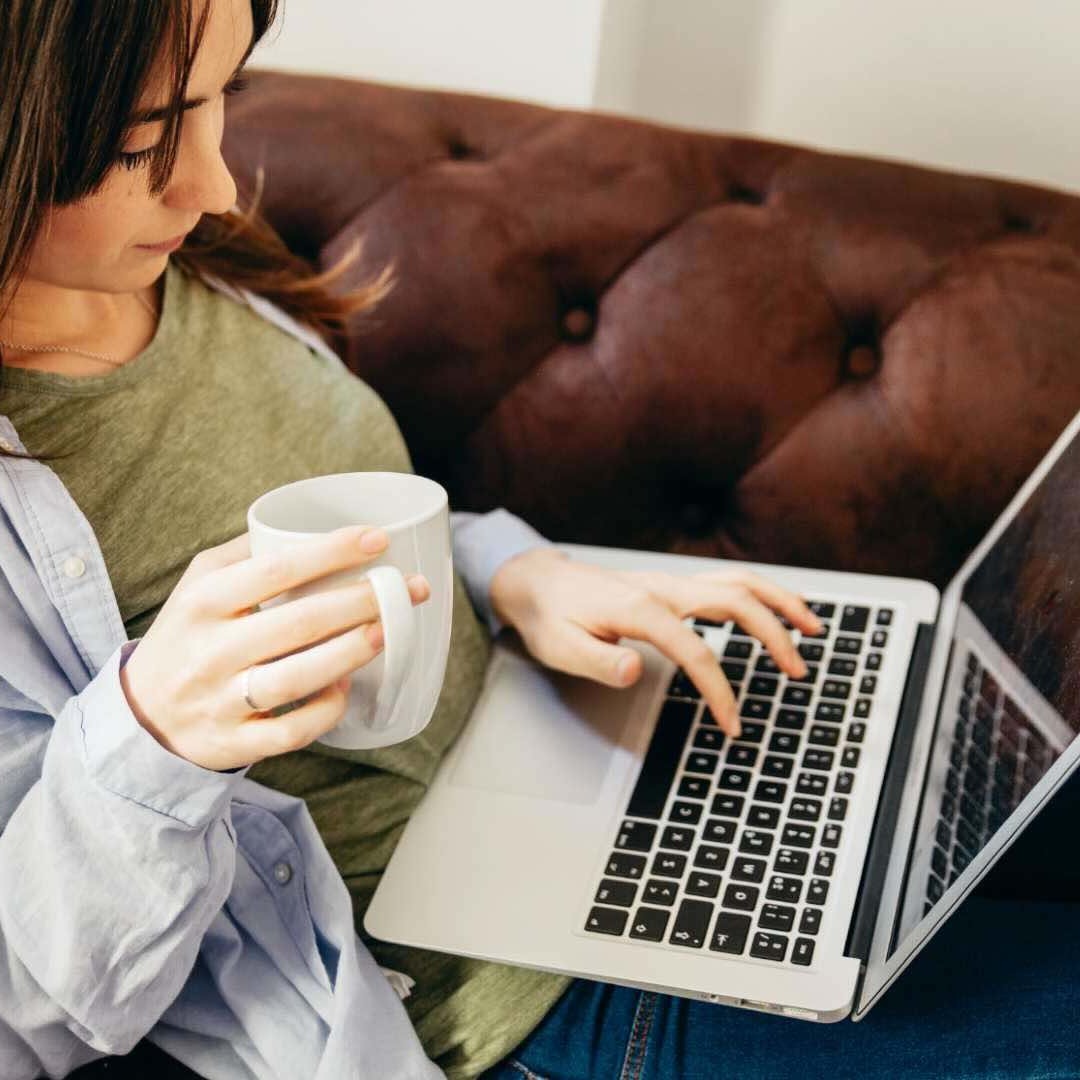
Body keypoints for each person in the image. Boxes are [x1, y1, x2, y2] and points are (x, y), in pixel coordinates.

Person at [1, 3, 1077, 1079]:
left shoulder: (183, 260)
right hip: (502, 1002)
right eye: (141, 142)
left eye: (222, 99)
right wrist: (151, 735)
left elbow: (360, 523)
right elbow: (23, 1017)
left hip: (563, 743)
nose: (219, 185)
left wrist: (516, 574)